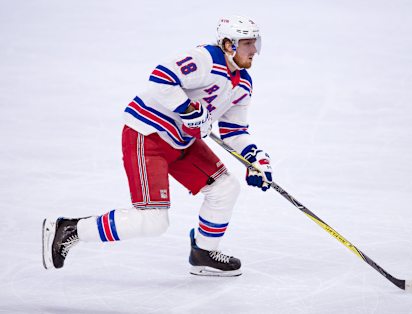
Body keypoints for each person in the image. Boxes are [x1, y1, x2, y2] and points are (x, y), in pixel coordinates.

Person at [42, 15, 273, 277]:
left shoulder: (243, 83)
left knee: (225, 187)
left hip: (182, 141)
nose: (254, 50)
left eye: (255, 43)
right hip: (148, 134)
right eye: (247, 43)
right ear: (229, 44)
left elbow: (234, 130)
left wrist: (255, 157)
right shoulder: (205, 58)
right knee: (152, 220)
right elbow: (161, 77)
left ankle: (203, 252)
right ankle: (70, 229)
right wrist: (188, 110)